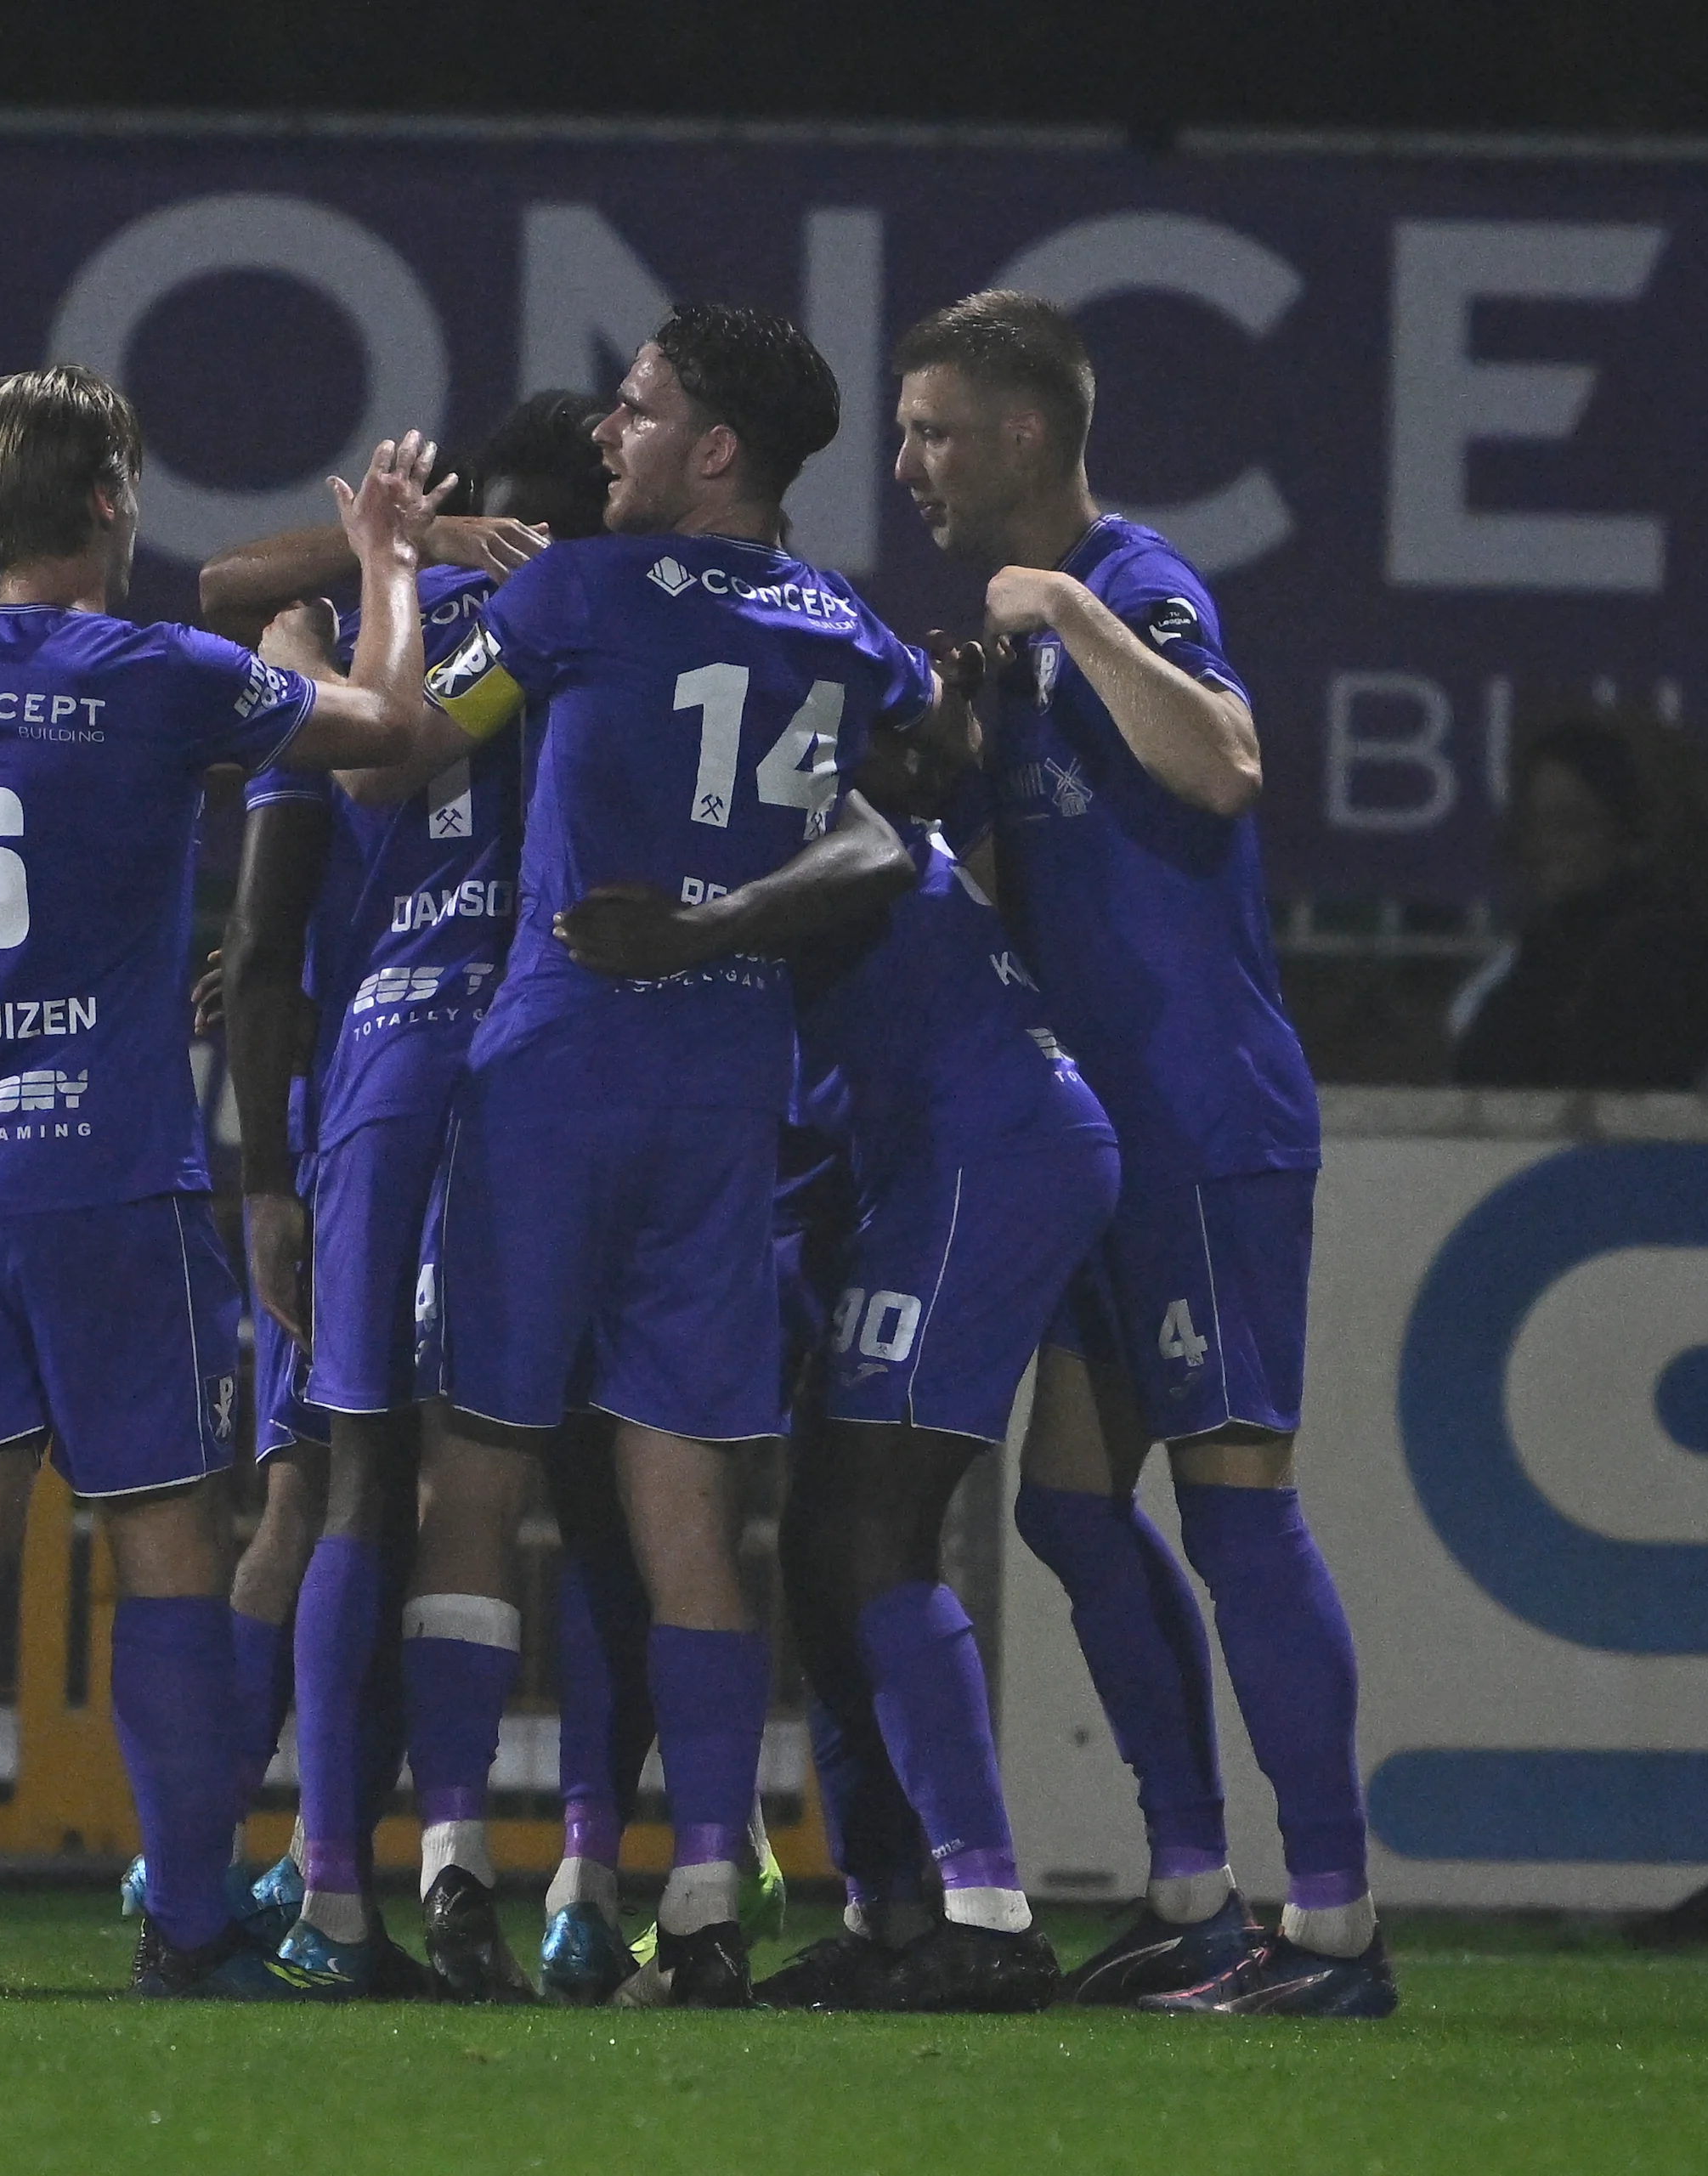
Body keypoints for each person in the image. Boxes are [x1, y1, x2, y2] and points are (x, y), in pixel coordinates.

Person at [0, 366, 468, 1998]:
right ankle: (189, 1928)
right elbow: (389, 733)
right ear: (109, 500)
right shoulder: (155, 676)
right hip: (101, 1173)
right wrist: (384, 566)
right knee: (167, 1545)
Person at [377, 304, 959, 2009]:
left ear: (715, 449)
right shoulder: (852, 629)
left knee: (471, 1478)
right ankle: (706, 1891)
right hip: (727, 1102)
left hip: (554, 1072)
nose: (607, 441)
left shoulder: (567, 594)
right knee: (692, 1506)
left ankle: (454, 1871)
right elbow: (924, 774)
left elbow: (410, 740)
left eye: (636, 417)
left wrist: (402, 572)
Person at [892, 289, 1394, 2017]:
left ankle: (1331, 1925)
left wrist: (1069, 616)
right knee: (1066, 1505)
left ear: (1027, 435)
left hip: (1200, 1117)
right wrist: (960, 768)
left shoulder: (1132, 582)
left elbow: (1228, 759)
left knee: (1237, 1506)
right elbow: (1045, 890)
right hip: (1103, 1136)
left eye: (936, 430)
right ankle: (1195, 1890)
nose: (913, 467)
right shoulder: (1026, 646)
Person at [563, 696, 1114, 2014]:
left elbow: (870, 844)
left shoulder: (801, 804)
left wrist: (697, 929)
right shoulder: (751, 819)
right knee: (824, 1539)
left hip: (985, 1156)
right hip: (942, 1165)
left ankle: (988, 1914)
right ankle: (895, 1912)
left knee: (869, 1529)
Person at [207, 390, 612, 1998]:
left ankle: (305, 1878)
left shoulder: (345, 649)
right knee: (522, 1491)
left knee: (333, 1488)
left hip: (370, 1078)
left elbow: (263, 923)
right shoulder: (596, 634)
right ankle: (491, 1861)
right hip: (537, 1064)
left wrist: (263, 1173)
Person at [1450, 709, 1708, 1090]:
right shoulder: (1546, 948)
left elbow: (1623, 1091)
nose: (1541, 847)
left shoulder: (1665, 956)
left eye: (1570, 824)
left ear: (1631, 835)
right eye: (1531, 823)